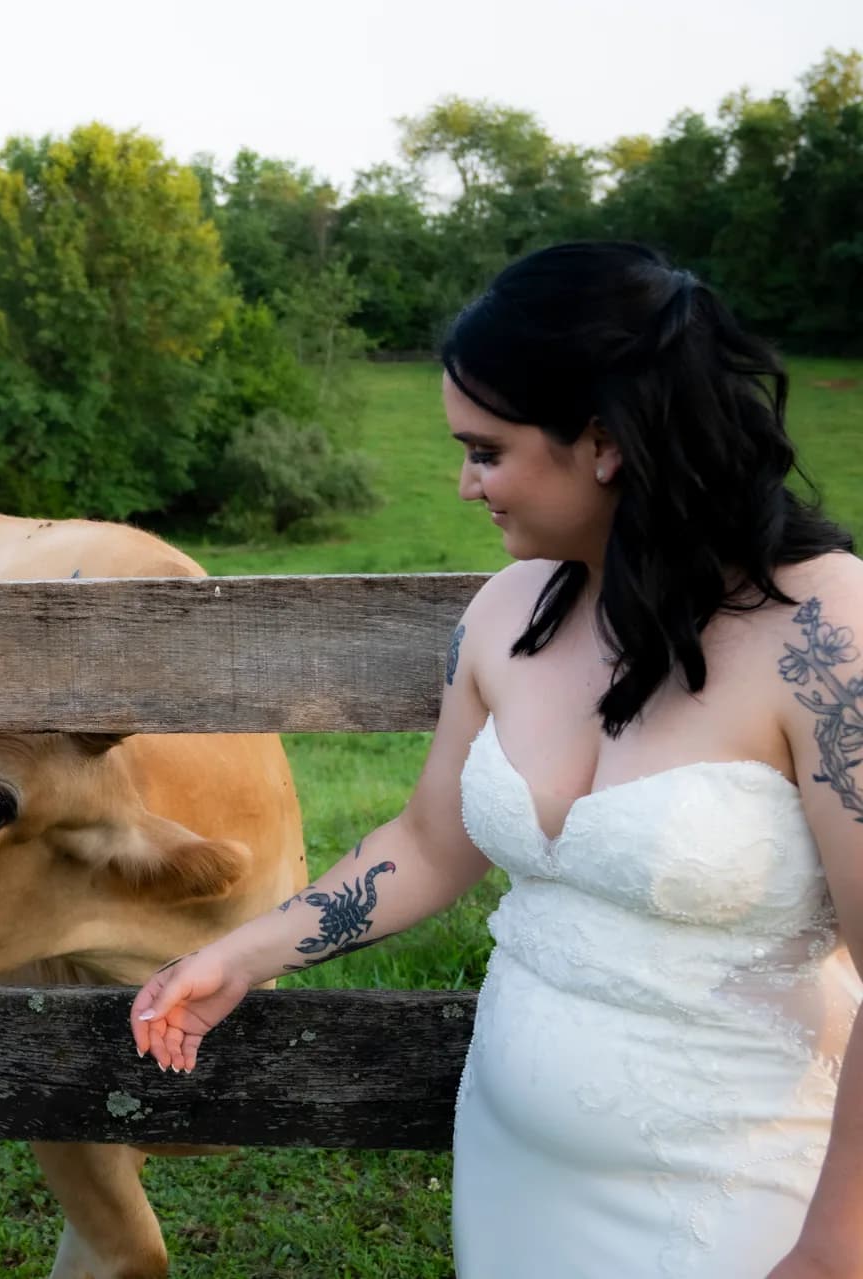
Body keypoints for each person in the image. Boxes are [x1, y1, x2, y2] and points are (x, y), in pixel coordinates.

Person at [128, 242, 863, 1278]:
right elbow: (432, 842)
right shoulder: (509, 612)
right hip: (515, 1172)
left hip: (751, 1196)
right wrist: (243, 955)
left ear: (603, 441)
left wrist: (837, 1250)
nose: (464, 483)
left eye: (486, 450)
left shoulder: (826, 634)